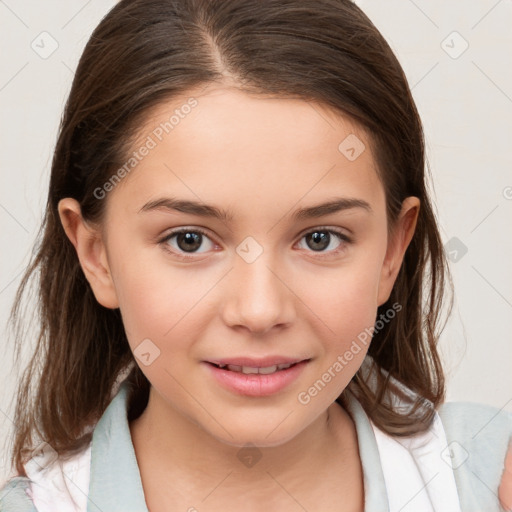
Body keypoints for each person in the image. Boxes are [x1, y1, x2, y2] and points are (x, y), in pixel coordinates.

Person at [1, 0, 511, 511]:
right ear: (97, 256)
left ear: (391, 251)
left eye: (320, 239)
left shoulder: (492, 479)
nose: (260, 310)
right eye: (189, 240)